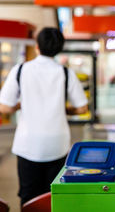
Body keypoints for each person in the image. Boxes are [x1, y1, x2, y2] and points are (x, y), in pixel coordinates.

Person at [0, 28, 88, 205]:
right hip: (58, 145)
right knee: (54, 197)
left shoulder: (21, 70)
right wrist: (62, 109)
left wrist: (21, 105)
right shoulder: (66, 73)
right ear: (59, 48)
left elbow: (5, 107)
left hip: (28, 144)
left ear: (37, 45)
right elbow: (82, 108)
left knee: (29, 197)